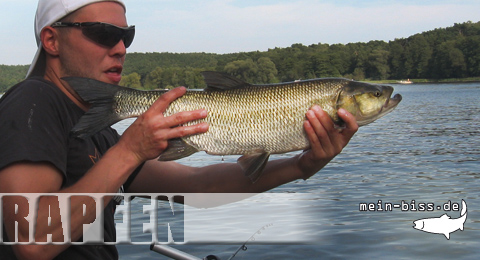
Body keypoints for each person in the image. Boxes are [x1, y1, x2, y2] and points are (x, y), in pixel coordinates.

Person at [0, 0, 358, 259]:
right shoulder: (33, 100)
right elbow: (31, 240)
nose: (121, 48)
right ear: (51, 40)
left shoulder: (97, 132)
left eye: (127, 36)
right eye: (103, 34)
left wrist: (301, 166)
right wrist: (130, 151)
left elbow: (198, 187)